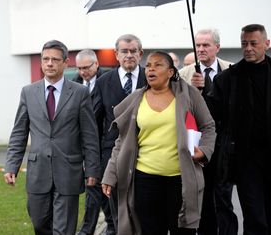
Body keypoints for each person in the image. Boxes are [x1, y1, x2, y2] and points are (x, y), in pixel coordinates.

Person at [101, 51, 216, 234]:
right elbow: (122, 141)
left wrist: (204, 150)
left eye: (158, 65)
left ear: (170, 72)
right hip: (145, 180)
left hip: (180, 180)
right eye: (148, 65)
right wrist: (110, 174)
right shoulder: (136, 99)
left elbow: (208, 126)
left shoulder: (188, 95)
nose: (151, 69)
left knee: (182, 230)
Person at [4, 40, 100, 235]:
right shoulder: (28, 92)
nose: (49, 63)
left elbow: (89, 135)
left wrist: (92, 170)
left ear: (65, 63)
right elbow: (19, 133)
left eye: (55, 60)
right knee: (39, 224)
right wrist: (11, 165)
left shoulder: (80, 93)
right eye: (45, 59)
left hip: (68, 172)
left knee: (64, 230)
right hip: (38, 172)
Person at [208, 24, 271, 235]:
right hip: (245, 159)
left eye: (254, 43)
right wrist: (201, 90)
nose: (248, 48)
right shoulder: (228, 78)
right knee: (255, 216)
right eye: (244, 44)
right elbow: (210, 115)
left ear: (267, 44)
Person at [179, 29, 236, 235]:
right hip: (198, 145)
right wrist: (192, 91)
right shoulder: (184, 74)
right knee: (201, 197)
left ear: (217, 48)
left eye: (206, 45)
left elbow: (234, 106)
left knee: (223, 197)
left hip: (224, 145)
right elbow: (179, 111)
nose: (201, 49)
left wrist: (209, 88)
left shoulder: (231, 70)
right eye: (198, 45)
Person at [93, 34, 147, 234]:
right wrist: (96, 160)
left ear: (140, 54)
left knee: (142, 212)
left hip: (145, 153)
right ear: (116, 55)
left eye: (133, 51)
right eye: (124, 51)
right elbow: (96, 124)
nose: (129, 55)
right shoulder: (103, 82)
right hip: (112, 156)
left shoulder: (151, 78)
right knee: (115, 214)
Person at [72, 49, 112, 235]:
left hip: (102, 144)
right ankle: (103, 227)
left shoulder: (107, 81)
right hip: (81, 146)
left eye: (86, 67)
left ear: (96, 64)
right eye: (79, 68)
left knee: (98, 187)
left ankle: (99, 228)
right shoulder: (73, 83)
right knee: (94, 187)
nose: (83, 72)